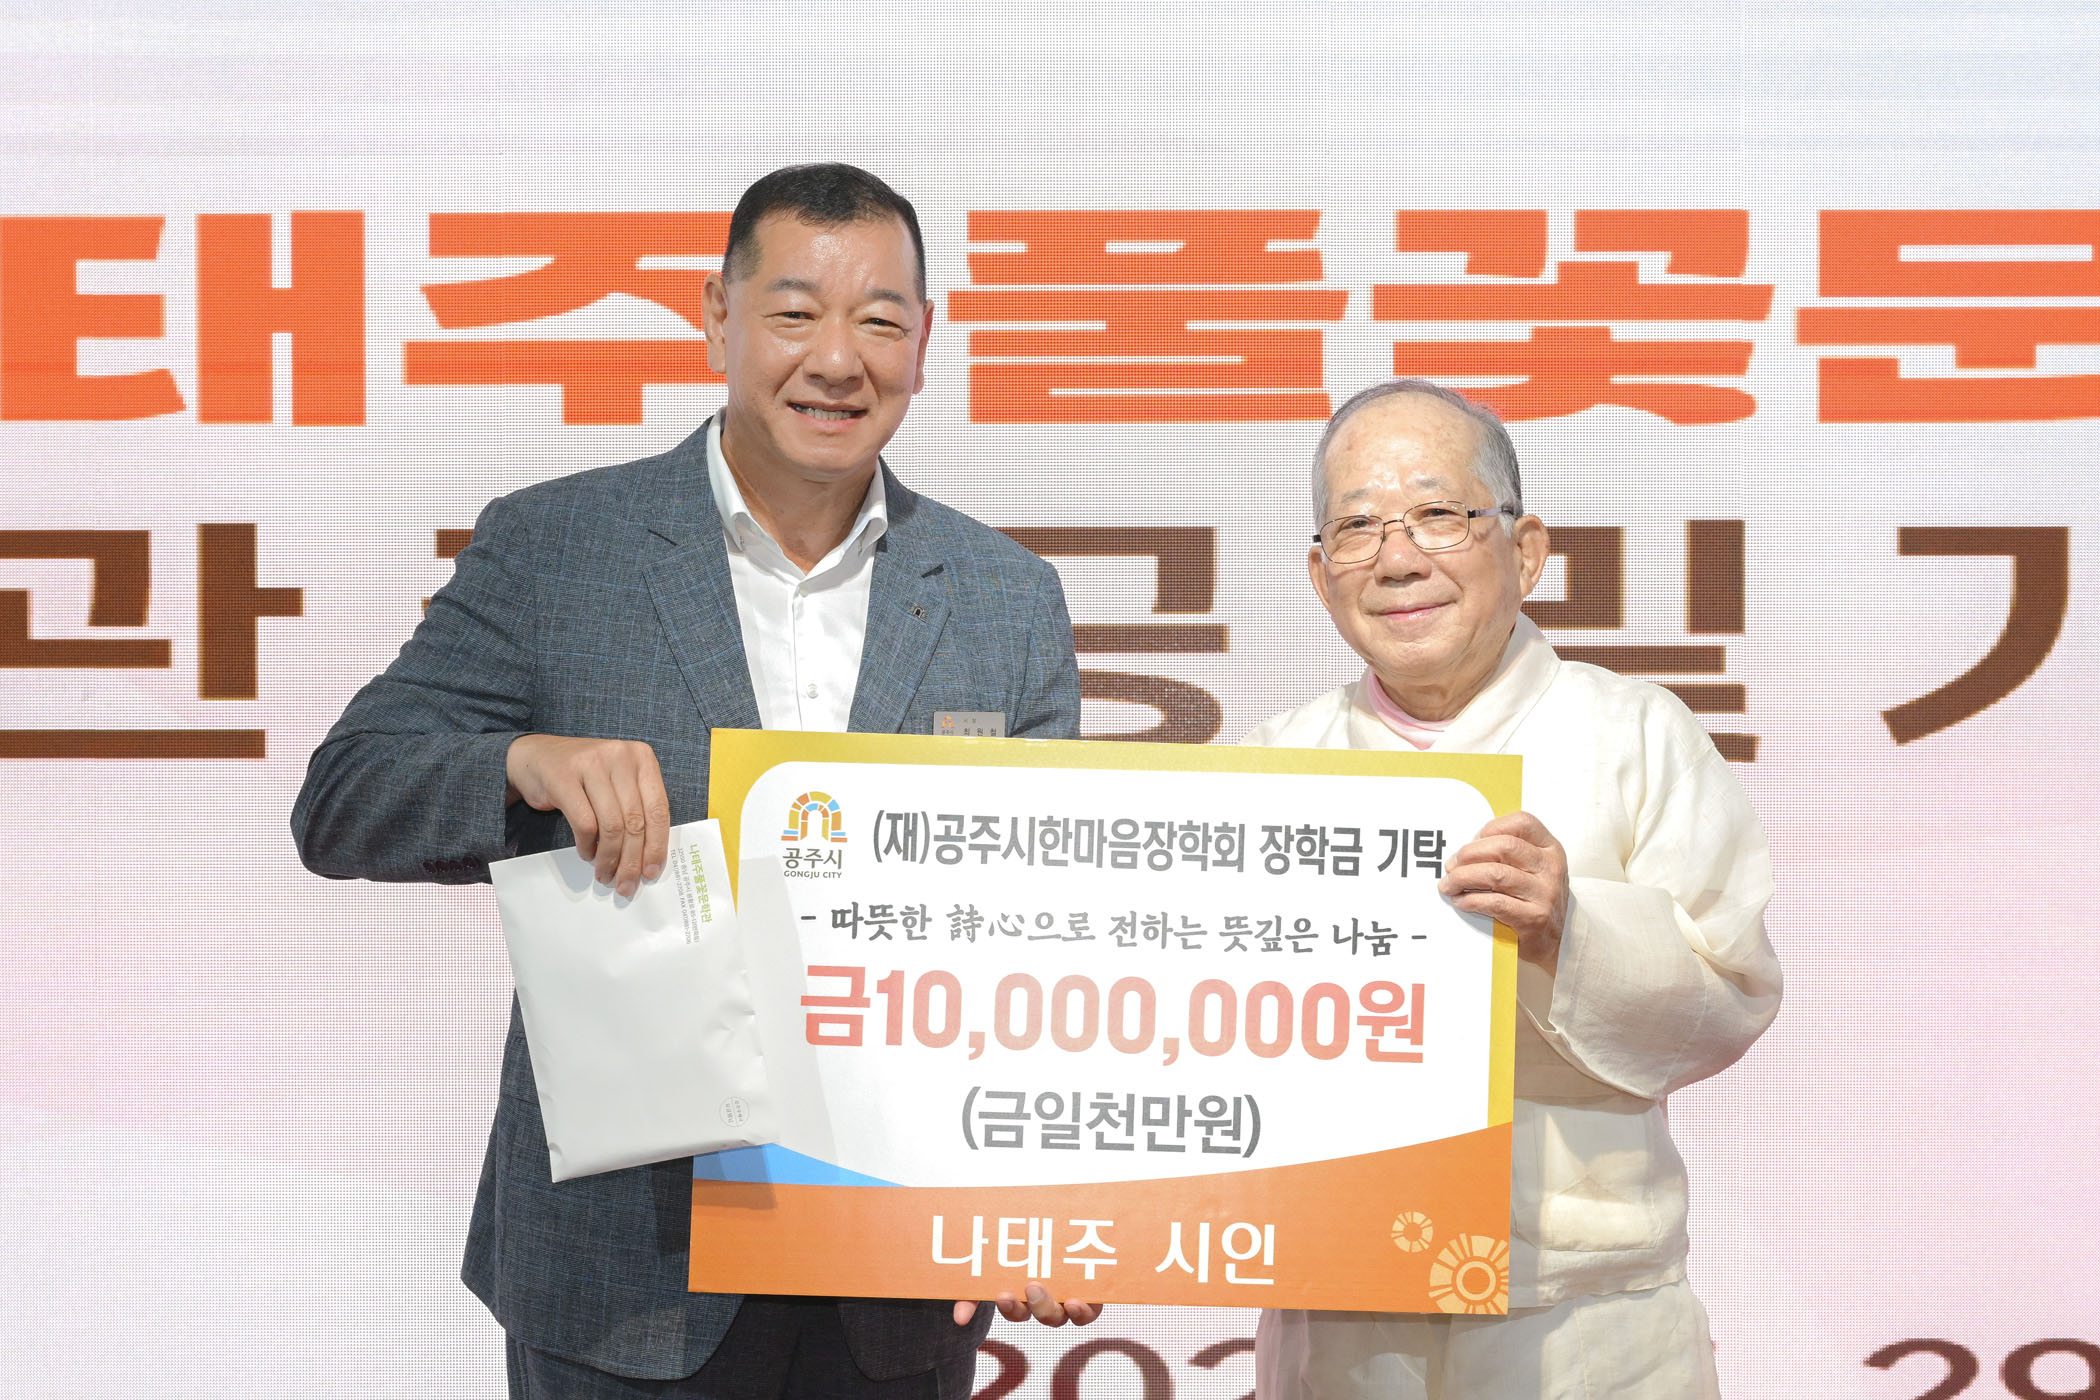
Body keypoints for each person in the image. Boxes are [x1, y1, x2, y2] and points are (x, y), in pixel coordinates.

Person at [292, 163, 1096, 1400]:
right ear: (717, 318)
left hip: (896, 1263)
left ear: (926, 344)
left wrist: (1053, 1193)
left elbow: (1049, 931)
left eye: (880, 320)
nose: (839, 360)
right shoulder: (560, 547)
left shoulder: (1003, 595)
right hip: (625, 1266)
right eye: (795, 313)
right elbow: (345, 796)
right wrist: (523, 763)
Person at [1245, 379, 1782, 1399]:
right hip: (1337, 1298)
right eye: (1358, 526)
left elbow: (1732, 998)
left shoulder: (1636, 733)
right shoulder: (1271, 762)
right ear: (1321, 575)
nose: (1398, 558)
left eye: (1437, 514)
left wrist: (1569, 932)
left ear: (1526, 550)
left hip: (1590, 1314)